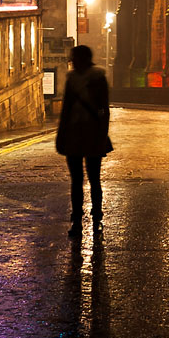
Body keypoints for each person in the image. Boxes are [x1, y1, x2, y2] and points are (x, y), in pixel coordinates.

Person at [55, 45, 113, 238]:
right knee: (77, 181)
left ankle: (96, 217)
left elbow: (103, 109)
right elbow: (66, 109)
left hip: (91, 134)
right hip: (74, 134)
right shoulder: (72, 79)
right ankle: (77, 220)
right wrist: (61, 135)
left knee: (93, 179)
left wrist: (102, 134)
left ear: (82, 59)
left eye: (74, 58)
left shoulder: (97, 78)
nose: (72, 61)